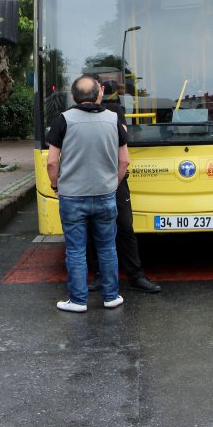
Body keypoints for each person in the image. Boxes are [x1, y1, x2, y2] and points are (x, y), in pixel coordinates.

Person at [46, 75, 129, 312]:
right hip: (105, 194)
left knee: (75, 250)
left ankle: (78, 300)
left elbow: (52, 162)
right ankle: (111, 296)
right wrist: (112, 184)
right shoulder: (114, 119)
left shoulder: (64, 119)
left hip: (72, 196)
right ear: (99, 94)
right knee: (107, 247)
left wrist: (56, 186)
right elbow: (124, 160)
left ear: (73, 97)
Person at [88, 80, 161, 294]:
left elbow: (122, 143)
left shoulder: (114, 111)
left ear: (102, 91)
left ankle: (135, 275)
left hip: (114, 178)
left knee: (125, 227)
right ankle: (100, 275)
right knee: (95, 230)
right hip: (94, 179)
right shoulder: (73, 115)